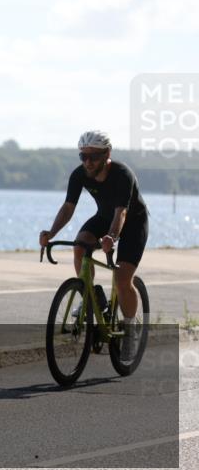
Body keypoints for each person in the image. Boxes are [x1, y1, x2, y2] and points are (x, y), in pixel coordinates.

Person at [39, 130, 149, 357]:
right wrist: (51, 232)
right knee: (80, 245)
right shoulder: (79, 175)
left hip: (132, 222)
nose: (87, 162)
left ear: (107, 154)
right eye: (83, 157)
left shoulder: (122, 174)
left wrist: (112, 237)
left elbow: (122, 212)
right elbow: (68, 207)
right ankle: (91, 294)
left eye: (93, 157)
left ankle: (130, 328)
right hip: (105, 217)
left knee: (121, 279)